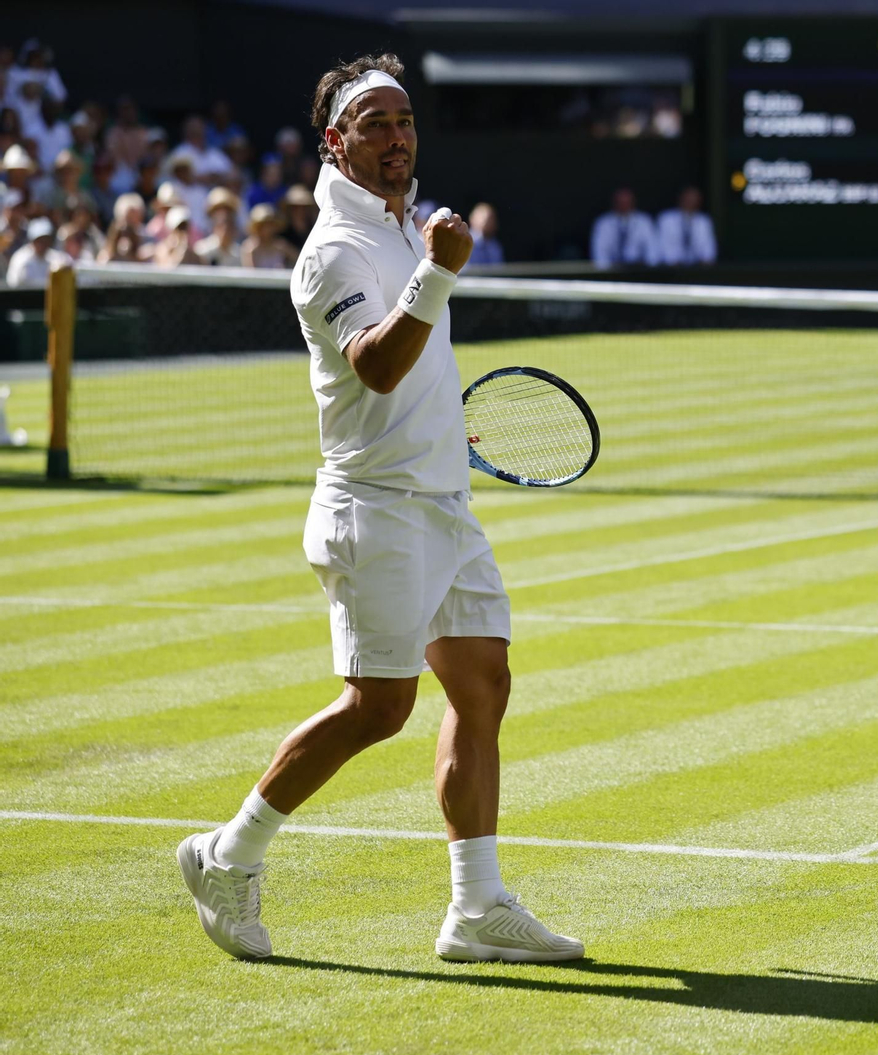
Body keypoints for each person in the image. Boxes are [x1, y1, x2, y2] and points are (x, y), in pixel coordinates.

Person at [175, 52, 584, 965]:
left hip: (443, 503)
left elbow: (415, 378)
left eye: (405, 121)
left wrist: (431, 284)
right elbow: (376, 365)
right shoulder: (332, 250)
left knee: (481, 685)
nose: (397, 137)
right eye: (376, 124)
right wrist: (437, 273)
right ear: (337, 142)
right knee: (379, 705)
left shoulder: (410, 225)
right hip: (375, 512)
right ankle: (226, 855)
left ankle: (476, 908)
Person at [590, 187, 659, 269]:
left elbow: (652, 249)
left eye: (627, 202)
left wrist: (650, 268)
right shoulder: (603, 222)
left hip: (638, 269)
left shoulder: (644, 221)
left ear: (633, 203)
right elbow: (600, 252)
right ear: (614, 203)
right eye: (620, 203)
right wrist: (604, 271)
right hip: (612, 269)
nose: (624, 206)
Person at [656, 186, 716, 266]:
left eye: (694, 199)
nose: (690, 202)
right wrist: (672, 261)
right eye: (688, 199)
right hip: (669, 268)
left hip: (697, 268)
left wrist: (706, 260)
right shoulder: (666, 219)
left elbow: (709, 248)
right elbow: (660, 246)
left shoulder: (703, 221)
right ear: (681, 199)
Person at [6, 216, 69, 287]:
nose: (42, 243)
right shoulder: (20, 259)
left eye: (45, 239)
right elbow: (12, 285)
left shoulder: (58, 259)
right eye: (38, 240)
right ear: (32, 240)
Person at [195, 187, 243, 266]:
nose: (223, 215)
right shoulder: (202, 250)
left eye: (227, 209)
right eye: (216, 210)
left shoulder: (239, 254)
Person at [99, 191, 151, 263]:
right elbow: (101, 263)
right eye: (129, 218)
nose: (133, 222)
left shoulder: (148, 237)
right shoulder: (111, 239)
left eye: (136, 217)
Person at [240, 202, 294, 268]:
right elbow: (250, 274)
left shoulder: (281, 245)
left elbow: (298, 259)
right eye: (264, 225)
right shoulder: (249, 248)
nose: (269, 229)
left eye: (271, 224)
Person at [464, 202, 503, 271]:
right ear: (472, 218)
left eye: (491, 218)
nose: (487, 221)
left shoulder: (494, 246)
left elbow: (497, 271)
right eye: (482, 217)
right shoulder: (463, 240)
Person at [280, 182, 316, 251]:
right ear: (289, 209)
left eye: (304, 207)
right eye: (295, 207)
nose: (300, 211)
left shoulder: (314, 229)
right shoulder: (283, 232)